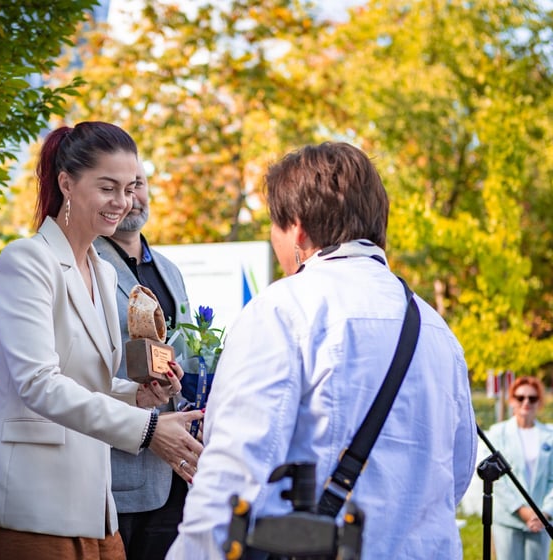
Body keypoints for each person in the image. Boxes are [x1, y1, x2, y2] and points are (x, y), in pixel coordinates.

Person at [167, 142, 477, 559]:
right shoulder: (436, 329)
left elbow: (232, 476)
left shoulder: (283, 309)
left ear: (296, 228)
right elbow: (455, 474)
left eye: (273, 227)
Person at [0, 122, 204, 560]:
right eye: (108, 187)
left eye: (130, 188)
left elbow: (92, 382)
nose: (122, 203)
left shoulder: (104, 271)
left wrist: (141, 394)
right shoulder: (27, 260)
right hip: (31, 499)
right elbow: (38, 383)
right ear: (67, 183)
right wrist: (148, 431)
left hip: (96, 502)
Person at [93, 160, 194, 559]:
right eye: (117, 187)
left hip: (175, 474)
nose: (131, 197)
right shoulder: (87, 263)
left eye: (138, 184)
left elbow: (184, 351)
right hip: (118, 469)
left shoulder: (170, 269)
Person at [487, 376, 553, 560]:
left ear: (539, 402)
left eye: (532, 398)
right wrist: (522, 510)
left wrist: (545, 512)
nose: (526, 402)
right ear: (512, 400)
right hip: (508, 520)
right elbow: (498, 481)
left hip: (541, 521)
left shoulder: (550, 435)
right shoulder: (497, 433)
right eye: (520, 397)